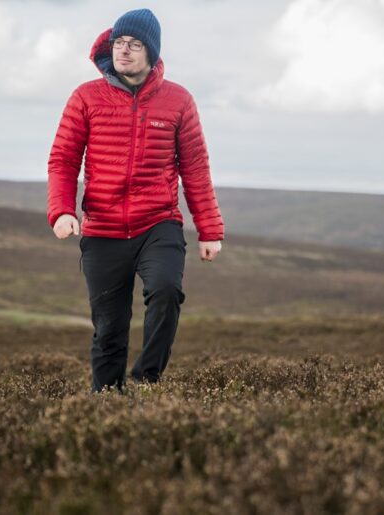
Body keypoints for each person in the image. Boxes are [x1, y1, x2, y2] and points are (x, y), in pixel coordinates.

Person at [47, 8, 224, 393]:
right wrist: (61, 211)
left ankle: (146, 380)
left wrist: (209, 230)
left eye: (135, 44)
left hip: (157, 222)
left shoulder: (178, 100)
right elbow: (63, 159)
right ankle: (107, 403)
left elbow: (195, 167)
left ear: (152, 51)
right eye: (119, 43)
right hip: (103, 229)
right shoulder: (86, 97)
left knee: (165, 291)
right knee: (109, 329)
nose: (124, 51)